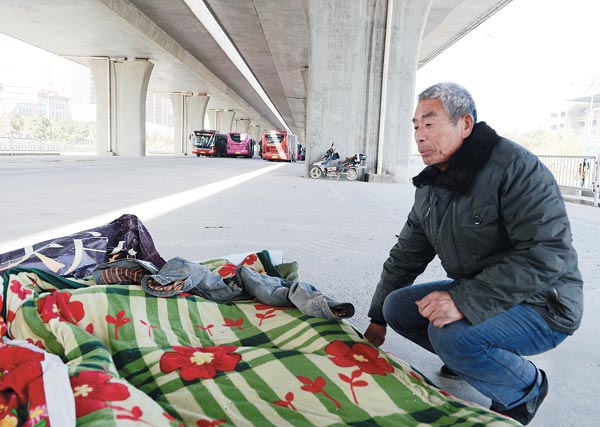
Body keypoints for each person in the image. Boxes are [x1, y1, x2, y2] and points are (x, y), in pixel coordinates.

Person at [364, 82, 583, 426]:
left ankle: (525, 387)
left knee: (449, 334)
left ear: (464, 124)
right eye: (416, 126)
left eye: (430, 123)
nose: (419, 136)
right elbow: (406, 255)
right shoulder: (431, 186)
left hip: (544, 304)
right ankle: (476, 358)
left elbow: (547, 253)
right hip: (484, 292)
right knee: (398, 308)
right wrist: (377, 316)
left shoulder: (515, 167)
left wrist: (464, 302)